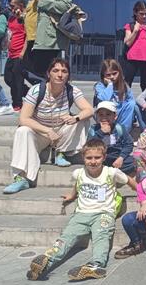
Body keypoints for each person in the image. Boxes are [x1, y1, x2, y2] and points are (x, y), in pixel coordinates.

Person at [26, 138, 136, 281]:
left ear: (104, 157)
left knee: (101, 237)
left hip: (104, 214)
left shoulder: (111, 172)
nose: (93, 161)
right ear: (83, 157)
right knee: (67, 237)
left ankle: (96, 265)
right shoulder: (78, 173)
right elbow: (78, 185)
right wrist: (72, 196)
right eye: (89, 158)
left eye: (97, 157)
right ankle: (46, 261)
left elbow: (129, 181)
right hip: (81, 214)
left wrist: (143, 194)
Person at [5, 58, 94, 194]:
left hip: (61, 133)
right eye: (55, 70)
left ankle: (61, 153)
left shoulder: (72, 90)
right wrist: (47, 131)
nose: (60, 75)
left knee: (83, 120)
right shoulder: (36, 90)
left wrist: (75, 117)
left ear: (68, 75)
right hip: (40, 133)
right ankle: (21, 178)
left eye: (64, 71)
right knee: (22, 131)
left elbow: (89, 110)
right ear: (48, 74)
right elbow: (23, 118)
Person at [21, 0, 72, 78]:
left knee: (43, 73)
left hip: (49, 41)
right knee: (24, 69)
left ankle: (56, 88)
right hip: (35, 39)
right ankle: (44, 88)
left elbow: (66, 6)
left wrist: (42, 0)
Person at [88, 101, 135, 175]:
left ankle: (112, 172)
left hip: (117, 158)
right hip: (101, 159)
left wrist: (121, 158)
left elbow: (129, 144)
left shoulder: (120, 128)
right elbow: (90, 147)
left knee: (134, 162)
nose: (104, 117)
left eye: (108, 114)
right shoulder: (93, 130)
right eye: (101, 115)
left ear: (115, 116)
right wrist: (102, 133)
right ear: (96, 117)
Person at [122, 1, 146, 91]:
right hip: (132, 59)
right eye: (141, 14)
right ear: (135, 13)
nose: (144, 16)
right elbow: (127, 43)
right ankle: (124, 99)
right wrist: (135, 31)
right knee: (127, 82)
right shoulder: (130, 26)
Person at [93, 59, 137, 129]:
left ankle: (124, 130)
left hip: (120, 115)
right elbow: (105, 99)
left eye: (114, 73)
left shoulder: (124, 86)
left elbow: (131, 102)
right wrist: (110, 85)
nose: (112, 77)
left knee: (132, 104)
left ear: (119, 72)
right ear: (103, 75)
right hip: (106, 115)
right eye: (108, 75)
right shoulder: (99, 86)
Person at [3, 0, 28, 112]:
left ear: (21, 5)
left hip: (20, 54)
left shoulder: (25, 18)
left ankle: (17, 104)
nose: (11, 9)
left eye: (13, 6)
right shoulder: (11, 19)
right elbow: (9, 34)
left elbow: (28, 36)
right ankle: (29, 92)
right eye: (10, 6)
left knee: (18, 80)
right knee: (8, 78)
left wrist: (23, 52)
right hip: (11, 53)